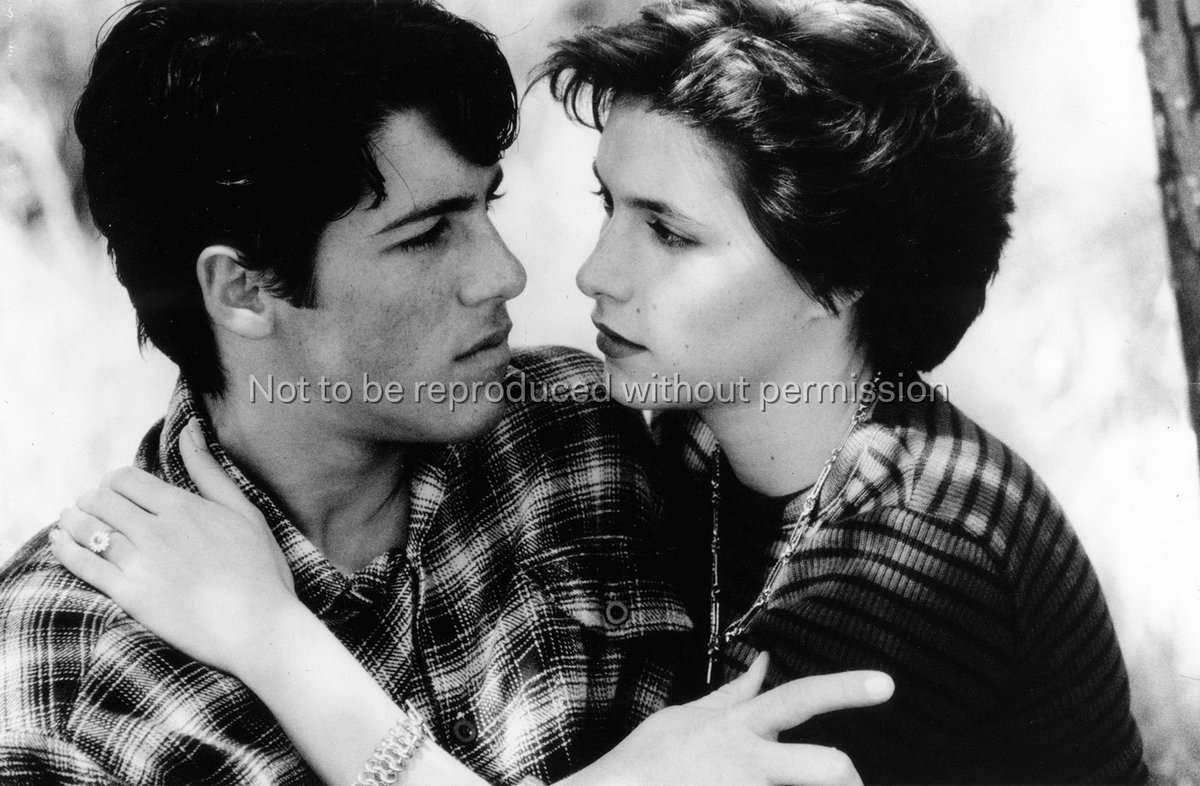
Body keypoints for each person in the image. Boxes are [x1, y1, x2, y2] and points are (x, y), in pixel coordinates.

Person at [49, 0, 1147, 783]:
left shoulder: (905, 551)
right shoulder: (71, 669)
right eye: (428, 232)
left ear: (840, 272)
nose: (570, 275)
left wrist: (277, 643)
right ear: (243, 290)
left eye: (669, 232)